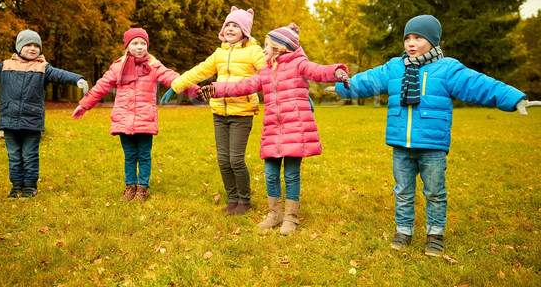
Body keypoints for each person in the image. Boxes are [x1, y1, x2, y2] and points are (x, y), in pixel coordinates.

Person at [328, 14, 540, 256]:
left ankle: (435, 234)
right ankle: (404, 231)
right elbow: (366, 80)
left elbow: (479, 84)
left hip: (432, 145)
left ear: (432, 41)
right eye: (408, 38)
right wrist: (340, 88)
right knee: (403, 191)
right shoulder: (395, 67)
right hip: (401, 144)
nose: (411, 43)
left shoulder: (447, 69)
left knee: (435, 193)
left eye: (418, 38)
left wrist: (514, 98)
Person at [196, 23, 350, 234]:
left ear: (279, 48)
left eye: (267, 44)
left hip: (296, 129)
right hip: (273, 129)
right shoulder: (266, 71)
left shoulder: (299, 65)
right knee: (270, 174)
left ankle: (291, 217)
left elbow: (318, 71)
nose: (264, 48)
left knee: (292, 175)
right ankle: (274, 214)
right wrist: (216, 89)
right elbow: (242, 86)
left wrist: (337, 72)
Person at [0, 30, 89, 199]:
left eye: (36, 46)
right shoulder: (5, 66)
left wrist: (78, 79)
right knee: (14, 156)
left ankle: (30, 186)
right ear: (19, 47)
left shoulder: (43, 68)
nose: (33, 48)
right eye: (28, 45)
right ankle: (16, 185)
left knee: (29, 155)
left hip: (32, 120)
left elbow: (61, 75)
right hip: (9, 119)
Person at [160, 6, 266, 215]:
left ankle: (244, 201)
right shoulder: (219, 54)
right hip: (219, 113)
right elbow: (198, 71)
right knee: (223, 160)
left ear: (245, 30)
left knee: (236, 159)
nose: (230, 29)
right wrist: (176, 86)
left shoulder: (254, 51)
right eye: (228, 25)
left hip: (241, 113)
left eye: (236, 25)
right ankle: (232, 199)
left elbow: (270, 72)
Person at [72, 27, 196, 203]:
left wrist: (197, 91)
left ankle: (143, 188)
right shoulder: (118, 67)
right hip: (123, 119)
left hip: (145, 118)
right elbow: (101, 87)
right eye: (135, 43)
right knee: (130, 155)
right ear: (127, 46)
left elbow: (174, 78)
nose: (140, 47)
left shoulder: (153, 66)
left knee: (144, 155)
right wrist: (84, 105)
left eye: (143, 43)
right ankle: (130, 187)